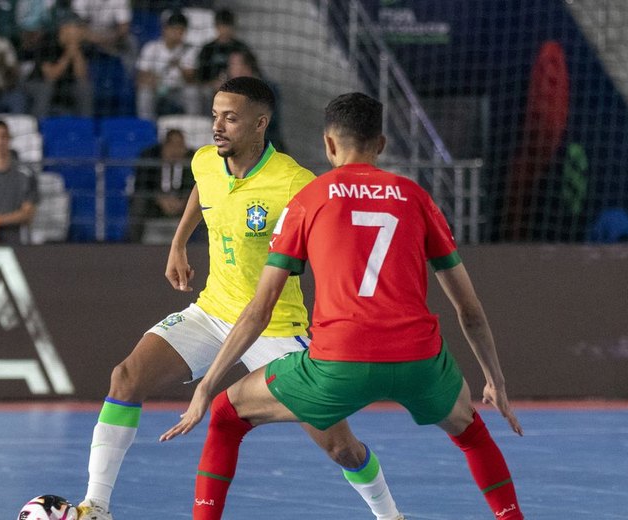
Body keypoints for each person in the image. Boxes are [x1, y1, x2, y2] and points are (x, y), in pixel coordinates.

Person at [161, 92, 525, 519]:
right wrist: (494, 380)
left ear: (329, 145)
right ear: (382, 144)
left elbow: (260, 310)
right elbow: (470, 310)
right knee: (472, 435)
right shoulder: (414, 197)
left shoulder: (309, 200)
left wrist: (206, 386)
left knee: (225, 416)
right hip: (419, 362)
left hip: (338, 363)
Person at [76, 78, 404, 520]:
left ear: (259, 125)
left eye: (230, 118)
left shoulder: (293, 182)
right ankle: (94, 507)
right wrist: (178, 242)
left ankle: (389, 515)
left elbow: (336, 244)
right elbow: (202, 188)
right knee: (126, 377)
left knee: (339, 445)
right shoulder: (206, 161)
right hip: (213, 312)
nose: (218, 126)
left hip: (275, 328)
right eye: (215, 116)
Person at [129, 128, 195, 243]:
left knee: (204, 205)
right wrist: (159, 198)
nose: (176, 150)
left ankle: (202, 246)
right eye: (172, 145)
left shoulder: (193, 159)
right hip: (155, 204)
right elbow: (142, 185)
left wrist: (184, 200)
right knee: (138, 202)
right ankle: (132, 245)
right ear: (164, 146)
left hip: (183, 204)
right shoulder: (149, 157)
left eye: (180, 145)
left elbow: (196, 186)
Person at [135, 9, 200, 121]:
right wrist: (154, 80)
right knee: (144, 93)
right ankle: (147, 126)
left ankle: (192, 125)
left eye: (181, 30)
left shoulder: (189, 49)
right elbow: (141, 78)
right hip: (157, 89)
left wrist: (179, 65)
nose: (178, 33)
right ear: (165, 29)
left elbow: (191, 79)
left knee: (192, 93)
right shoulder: (151, 48)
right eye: (175, 29)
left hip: (178, 89)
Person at [25, 17, 94, 119]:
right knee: (46, 88)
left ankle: (86, 124)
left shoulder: (81, 46)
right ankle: (39, 124)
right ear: (64, 29)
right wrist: (69, 53)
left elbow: (82, 76)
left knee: (85, 87)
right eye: (76, 28)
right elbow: (52, 75)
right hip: (38, 83)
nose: (80, 32)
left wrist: (76, 52)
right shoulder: (47, 42)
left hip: (65, 85)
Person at [226, 47, 286, 151]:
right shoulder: (230, 89)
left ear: (246, 67)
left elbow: (271, 120)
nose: (230, 69)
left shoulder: (266, 89)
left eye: (234, 65)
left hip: (267, 145)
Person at [196, 9, 251, 106]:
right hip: (210, 89)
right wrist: (212, 84)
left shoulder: (241, 48)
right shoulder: (208, 49)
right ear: (216, 27)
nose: (225, 30)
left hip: (237, 87)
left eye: (228, 26)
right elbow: (199, 77)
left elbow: (252, 71)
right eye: (222, 26)